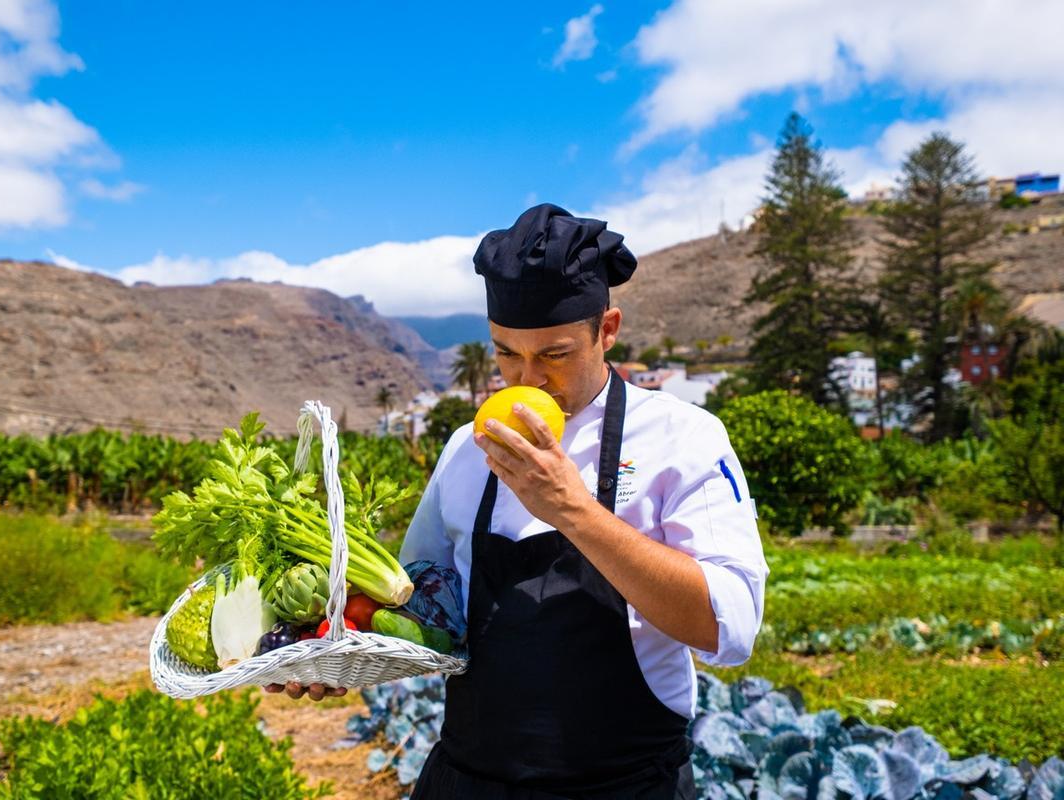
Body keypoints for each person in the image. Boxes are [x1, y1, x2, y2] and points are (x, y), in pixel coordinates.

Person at [268, 203, 768, 798]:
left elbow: (730, 628)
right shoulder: (463, 447)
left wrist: (573, 510)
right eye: (507, 353)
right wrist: (333, 652)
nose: (527, 380)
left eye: (553, 355)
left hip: (624, 787)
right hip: (468, 781)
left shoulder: (682, 438)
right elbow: (421, 606)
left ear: (606, 330)